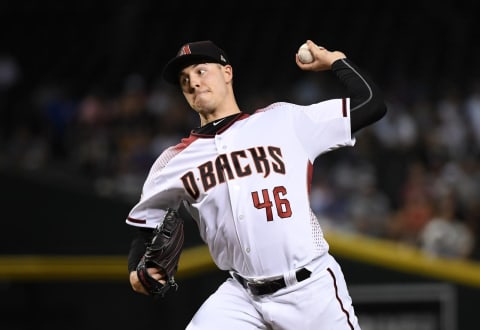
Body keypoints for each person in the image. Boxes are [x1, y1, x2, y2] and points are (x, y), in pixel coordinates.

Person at [126, 39, 387, 330]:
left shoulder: (284, 120)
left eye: (201, 71)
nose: (193, 83)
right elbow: (146, 231)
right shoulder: (172, 161)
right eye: (184, 79)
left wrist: (335, 60)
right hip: (241, 296)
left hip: (310, 288)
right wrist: (136, 272)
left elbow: (371, 104)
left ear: (227, 73)